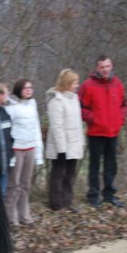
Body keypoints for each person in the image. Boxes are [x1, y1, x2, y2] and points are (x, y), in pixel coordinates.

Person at [78, 55, 127, 208]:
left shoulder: (117, 83)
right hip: (96, 132)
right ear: (97, 68)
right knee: (94, 166)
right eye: (102, 67)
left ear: (111, 66)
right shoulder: (88, 85)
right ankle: (93, 195)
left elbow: (124, 104)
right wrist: (93, 119)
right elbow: (80, 107)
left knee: (111, 165)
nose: (105, 69)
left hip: (113, 131)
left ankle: (109, 194)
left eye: (107, 66)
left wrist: (120, 119)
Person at [44, 69, 85, 212]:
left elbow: (77, 124)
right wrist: (62, 149)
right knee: (58, 175)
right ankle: (56, 204)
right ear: (67, 83)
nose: (77, 85)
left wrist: (80, 143)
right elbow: (57, 127)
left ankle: (68, 203)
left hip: (73, 145)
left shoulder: (73, 98)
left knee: (70, 174)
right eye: (75, 82)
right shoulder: (56, 100)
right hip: (61, 146)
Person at [4, 79, 43, 225]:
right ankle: (11, 218)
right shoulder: (11, 107)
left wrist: (38, 154)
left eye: (30, 87)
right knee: (13, 185)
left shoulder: (32, 105)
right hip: (16, 150)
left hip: (30, 149)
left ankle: (25, 216)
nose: (29, 90)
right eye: (25, 88)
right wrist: (11, 155)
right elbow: (8, 132)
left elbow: (36, 129)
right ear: (19, 90)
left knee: (26, 184)